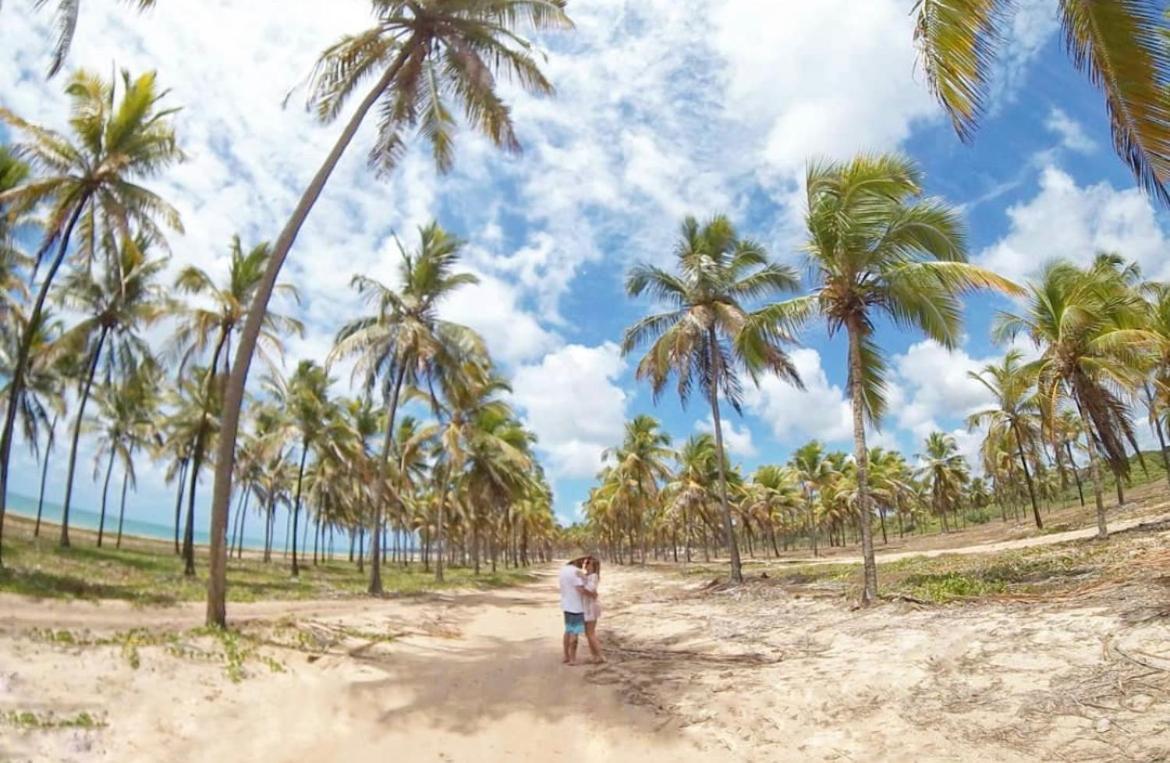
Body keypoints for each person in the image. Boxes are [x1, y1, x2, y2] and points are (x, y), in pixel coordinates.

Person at [558, 556, 588, 665]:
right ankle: (573, 658)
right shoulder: (576, 572)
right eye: (582, 561)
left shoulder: (563, 570)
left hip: (566, 605)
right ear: (576, 560)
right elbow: (580, 589)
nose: (583, 563)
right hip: (576, 606)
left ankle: (566, 655)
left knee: (568, 630)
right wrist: (591, 594)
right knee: (575, 633)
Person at [581, 557, 604, 663]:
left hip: (590, 607)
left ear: (593, 566)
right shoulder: (587, 576)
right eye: (585, 563)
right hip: (586, 606)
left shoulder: (593, 576)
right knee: (588, 633)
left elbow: (590, 590)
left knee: (590, 633)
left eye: (588, 563)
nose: (586, 565)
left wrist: (579, 588)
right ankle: (594, 655)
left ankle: (599, 655)